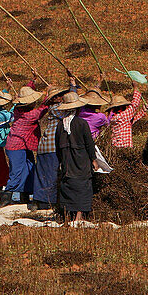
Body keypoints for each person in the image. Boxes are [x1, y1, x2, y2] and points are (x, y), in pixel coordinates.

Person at [32, 76, 77, 211]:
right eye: (59, 96)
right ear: (55, 99)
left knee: (42, 173)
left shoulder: (52, 108)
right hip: (52, 146)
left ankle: (39, 200)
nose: (61, 97)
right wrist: (73, 88)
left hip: (45, 145)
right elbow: (72, 106)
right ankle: (47, 201)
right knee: (52, 174)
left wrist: (72, 84)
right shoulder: (57, 108)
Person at [54, 91, 97, 224]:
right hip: (81, 159)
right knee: (83, 185)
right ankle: (79, 216)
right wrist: (93, 159)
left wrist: (61, 160)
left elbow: (57, 146)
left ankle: (69, 215)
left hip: (67, 160)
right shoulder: (81, 123)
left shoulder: (60, 125)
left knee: (69, 185)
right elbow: (89, 143)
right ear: (78, 109)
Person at [1, 85, 47, 207]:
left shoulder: (17, 109)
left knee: (30, 169)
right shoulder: (29, 115)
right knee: (17, 172)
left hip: (24, 145)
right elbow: (42, 110)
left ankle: (25, 195)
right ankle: (6, 197)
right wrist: (49, 97)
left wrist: (33, 82)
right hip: (16, 147)